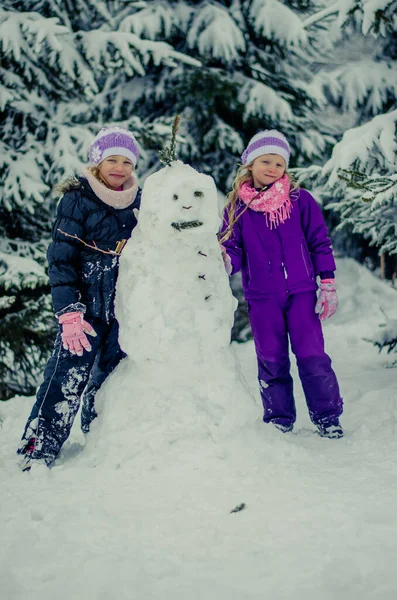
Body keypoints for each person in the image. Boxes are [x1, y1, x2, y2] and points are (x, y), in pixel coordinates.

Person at [17, 126, 142, 470]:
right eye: (111, 160)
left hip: (122, 311)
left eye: (126, 162)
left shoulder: (141, 202)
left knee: (111, 380)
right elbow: (61, 259)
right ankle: (37, 448)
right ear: (97, 161)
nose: (119, 168)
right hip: (83, 312)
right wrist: (69, 312)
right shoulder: (77, 200)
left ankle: (100, 437)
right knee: (65, 380)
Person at [220, 130, 343, 438]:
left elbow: (319, 241)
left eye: (279, 164)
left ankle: (327, 417)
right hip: (262, 297)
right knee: (271, 358)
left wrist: (326, 281)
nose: (273, 168)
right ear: (250, 163)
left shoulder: (300, 200)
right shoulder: (237, 206)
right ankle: (279, 418)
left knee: (312, 356)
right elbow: (231, 248)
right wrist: (222, 262)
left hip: (301, 293)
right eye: (266, 161)